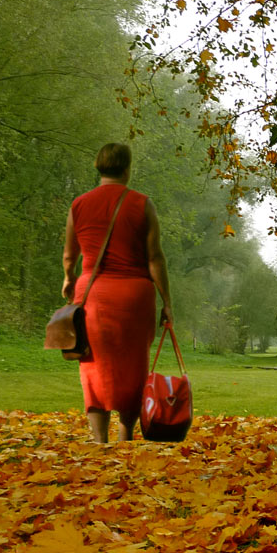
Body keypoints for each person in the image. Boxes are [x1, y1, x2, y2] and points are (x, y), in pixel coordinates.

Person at [61, 142, 174, 442]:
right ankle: (126, 436)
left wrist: (68, 279)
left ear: (99, 167)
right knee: (134, 365)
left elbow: (70, 256)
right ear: (127, 168)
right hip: (133, 296)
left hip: (92, 293)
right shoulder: (141, 203)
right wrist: (167, 301)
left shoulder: (79, 204)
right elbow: (154, 258)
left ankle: (100, 442)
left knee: (92, 362)